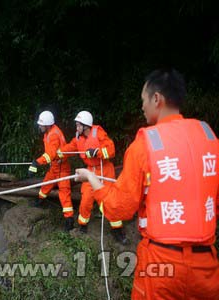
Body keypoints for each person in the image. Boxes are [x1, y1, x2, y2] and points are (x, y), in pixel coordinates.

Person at [75, 69, 219, 299]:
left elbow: (119, 206)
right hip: (207, 268)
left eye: (143, 100)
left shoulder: (146, 143)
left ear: (156, 99)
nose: (142, 107)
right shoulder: (209, 137)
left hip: (161, 265)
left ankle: (116, 232)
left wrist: (91, 179)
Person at [60, 111, 128, 244]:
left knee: (109, 202)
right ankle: (82, 225)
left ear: (86, 126)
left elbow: (111, 149)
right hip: (90, 171)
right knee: (85, 199)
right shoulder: (78, 138)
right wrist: (58, 155)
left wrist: (97, 152)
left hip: (105, 171)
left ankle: (117, 230)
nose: (76, 127)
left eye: (79, 125)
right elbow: (69, 148)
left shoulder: (98, 133)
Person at [28, 111, 74, 231]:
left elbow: (51, 154)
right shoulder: (49, 132)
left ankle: (69, 220)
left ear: (47, 124)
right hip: (54, 167)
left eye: (41, 124)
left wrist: (37, 162)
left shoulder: (53, 135)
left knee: (64, 194)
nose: (39, 126)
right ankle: (40, 201)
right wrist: (40, 161)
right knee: (46, 184)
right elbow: (50, 153)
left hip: (61, 168)